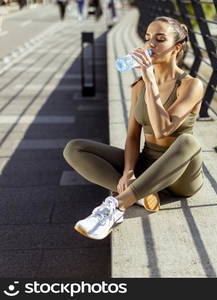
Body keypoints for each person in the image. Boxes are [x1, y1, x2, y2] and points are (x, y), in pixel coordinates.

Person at [63, 16, 204, 240]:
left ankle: (117, 205)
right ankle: (141, 194)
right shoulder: (139, 85)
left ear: (176, 48)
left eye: (160, 39)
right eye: (148, 38)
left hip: (180, 174)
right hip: (147, 163)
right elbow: (131, 136)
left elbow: (162, 130)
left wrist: (151, 82)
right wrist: (129, 170)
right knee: (74, 148)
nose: (151, 45)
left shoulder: (191, 85)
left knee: (189, 142)